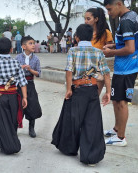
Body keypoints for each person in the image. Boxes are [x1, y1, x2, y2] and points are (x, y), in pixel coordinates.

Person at [51, 24, 111, 166]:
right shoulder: (98, 52)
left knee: (72, 120)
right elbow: (106, 73)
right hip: (92, 90)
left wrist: (68, 89)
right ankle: (91, 157)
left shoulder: (73, 50)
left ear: (76, 37)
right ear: (92, 37)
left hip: (77, 89)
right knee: (92, 122)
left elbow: (69, 71)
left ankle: (70, 148)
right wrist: (107, 92)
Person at [103, 0, 138, 146]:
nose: (109, 13)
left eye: (110, 10)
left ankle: (121, 138)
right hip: (124, 68)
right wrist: (113, 45)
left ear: (118, 3)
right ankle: (117, 129)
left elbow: (130, 49)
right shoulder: (131, 16)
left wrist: (111, 52)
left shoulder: (126, 21)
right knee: (116, 99)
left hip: (127, 68)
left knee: (122, 101)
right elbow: (128, 42)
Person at [0, 37, 28, 154]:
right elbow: (23, 82)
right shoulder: (16, 63)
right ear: (11, 49)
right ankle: (8, 144)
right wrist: (24, 97)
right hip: (13, 96)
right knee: (11, 120)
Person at [16, 36, 42, 138]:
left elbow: (38, 73)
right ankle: (15, 126)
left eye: (33, 43)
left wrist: (30, 70)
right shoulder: (18, 58)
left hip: (30, 84)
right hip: (19, 85)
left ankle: (31, 128)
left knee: (32, 105)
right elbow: (14, 71)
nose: (33, 45)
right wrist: (21, 68)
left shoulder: (36, 59)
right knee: (18, 105)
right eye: (30, 43)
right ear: (23, 46)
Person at [85, 7, 114, 95]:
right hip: (84, 69)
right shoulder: (84, 32)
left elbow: (109, 52)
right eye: (85, 19)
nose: (86, 21)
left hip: (98, 69)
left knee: (94, 98)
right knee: (84, 99)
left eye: (88, 19)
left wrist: (106, 49)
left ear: (96, 19)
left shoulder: (106, 33)